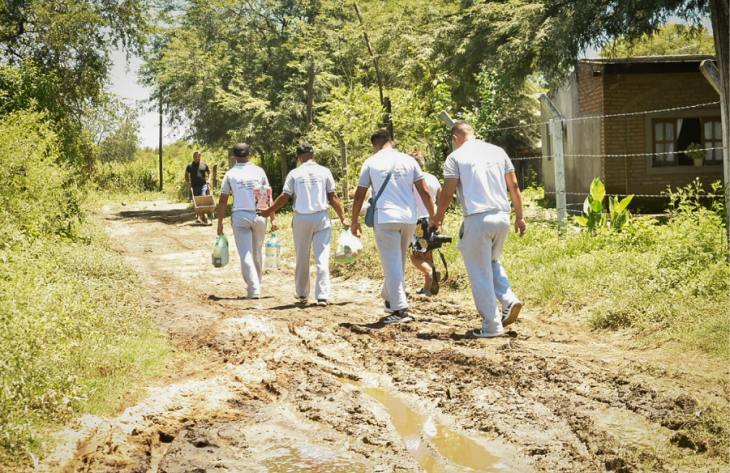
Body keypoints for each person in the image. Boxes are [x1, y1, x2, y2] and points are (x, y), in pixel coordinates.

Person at [431, 121, 526, 338]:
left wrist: (438, 218)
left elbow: (448, 192)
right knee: (491, 262)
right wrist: (520, 216)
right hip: (502, 217)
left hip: (477, 219)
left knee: (479, 271)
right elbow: (514, 186)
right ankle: (509, 299)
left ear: (455, 138)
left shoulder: (455, 157)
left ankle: (491, 325)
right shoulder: (498, 152)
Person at [350, 130, 436, 324]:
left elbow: (359, 194)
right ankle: (389, 298)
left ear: (374, 145)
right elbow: (424, 191)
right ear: (392, 141)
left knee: (391, 263)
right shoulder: (409, 161)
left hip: (385, 217)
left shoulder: (371, 162)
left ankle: (400, 310)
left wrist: (354, 221)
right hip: (409, 217)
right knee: (398, 261)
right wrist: (433, 217)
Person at [261, 143, 348, 306]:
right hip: (321, 218)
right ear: (313, 154)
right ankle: (322, 296)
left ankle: (302, 294)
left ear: (299, 157)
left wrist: (268, 211)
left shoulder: (294, 173)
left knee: (302, 257)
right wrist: (342, 217)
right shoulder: (324, 171)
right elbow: (333, 197)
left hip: (301, 218)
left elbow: (284, 197)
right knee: (322, 257)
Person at [217, 143, 273, 299]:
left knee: (246, 253)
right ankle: (256, 285)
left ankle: (254, 288)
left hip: (240, 215)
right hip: (260, 214)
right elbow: (267, 195)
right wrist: (273, 218)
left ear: (233, 156)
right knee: (257, 252)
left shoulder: (230, 174)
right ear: (250, 154)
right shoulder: (259, 171)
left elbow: (223, 200)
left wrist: (220, 222)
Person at [409, 151, 442, 297]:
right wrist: (439, 220)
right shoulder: (433, 178)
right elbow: (440, 199)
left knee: (416, 256)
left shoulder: (411, 180)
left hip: (418, 221)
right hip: (433, 219)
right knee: (427, 255)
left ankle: (430, 273)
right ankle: (427, 287)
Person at [186, 151, 211, 223]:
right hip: (194, 186)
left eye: (199, 156)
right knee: (196, 201)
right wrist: (188, 182)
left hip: (203, 185)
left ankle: (205, 215)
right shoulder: (190, 166)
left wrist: (209, 180)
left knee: (203, 197)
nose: (197, 158)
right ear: (193, 157)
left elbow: (209, 172)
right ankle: (199, 216)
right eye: (196, 157)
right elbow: (186, 174)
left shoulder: (204, 165)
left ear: (200, 157)